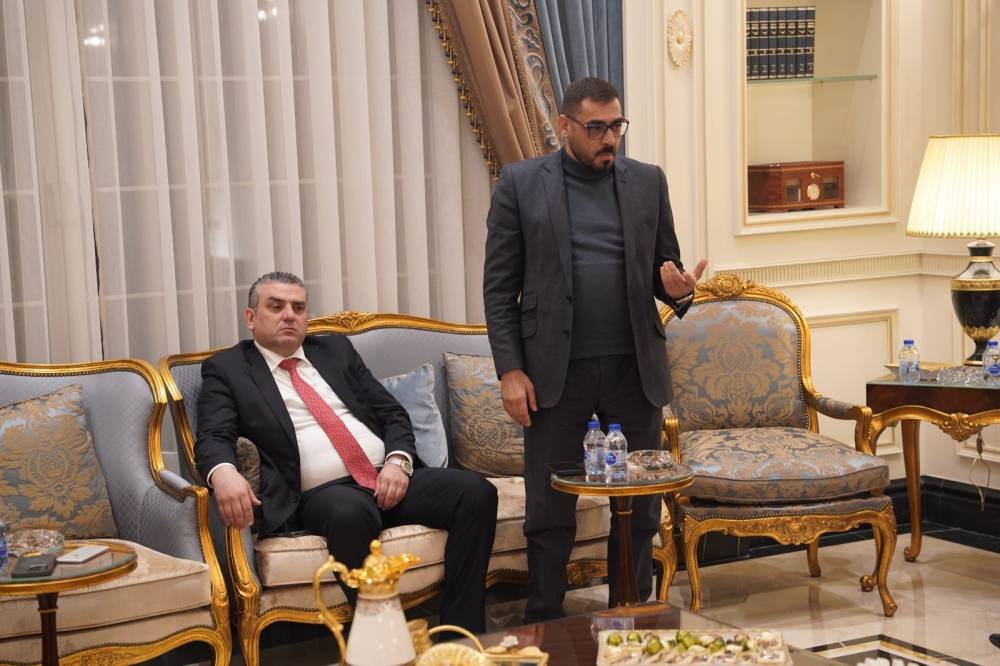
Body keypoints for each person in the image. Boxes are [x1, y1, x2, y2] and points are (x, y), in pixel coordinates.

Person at [483, 77, 707, 621]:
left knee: (639, 508)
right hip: (554, 374)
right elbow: (499, 287)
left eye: (616, 126)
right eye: (596, 128)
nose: (609, 138)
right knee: (549, 509)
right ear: (565, 126)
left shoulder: (648, 182)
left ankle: (629, 620)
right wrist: (510, 370)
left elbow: (665, 272)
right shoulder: (521, 184)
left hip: (634, 371)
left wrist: (678, 291)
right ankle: (545, 621)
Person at [196, 271, 498, 632]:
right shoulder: (228, 369)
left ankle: (460, 635)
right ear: (251, 317)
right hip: (324, 494)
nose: (289, 315)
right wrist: (223, 473)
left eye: (298, 307)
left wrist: (398, 462)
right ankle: (385, 640)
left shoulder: (334, 350)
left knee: (476, 493)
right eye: (276, 307)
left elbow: (391, 413)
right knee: (349, 514)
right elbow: (213, 435)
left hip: (386, 477)